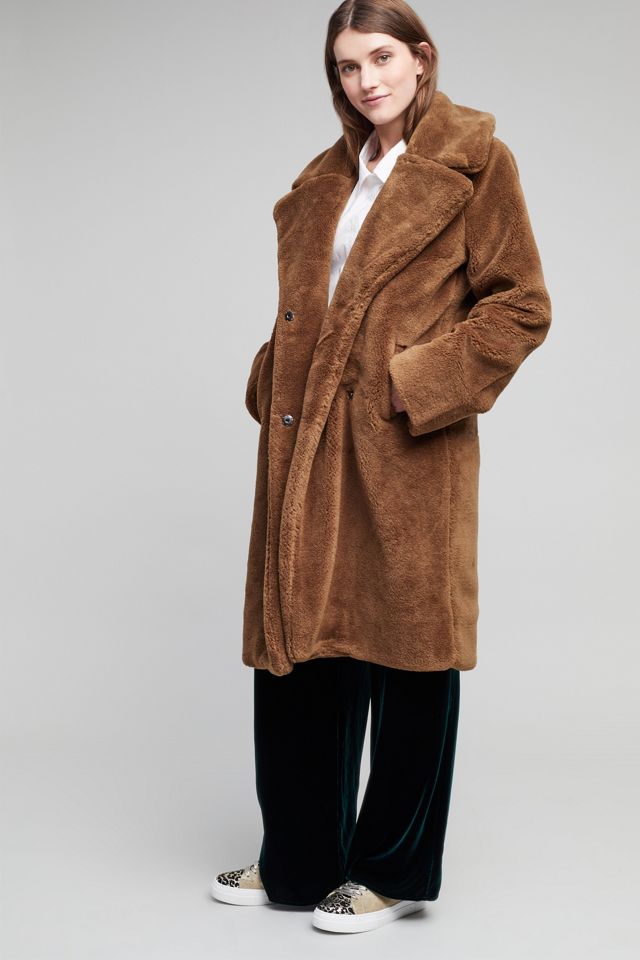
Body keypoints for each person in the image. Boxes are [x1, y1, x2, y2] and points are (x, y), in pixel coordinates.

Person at [211, 0, 552, 936]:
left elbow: (521, 304)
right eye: (347, 65)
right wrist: (272, 376)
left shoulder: (476, 164)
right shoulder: (326, 178)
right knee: (299, 645)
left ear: (421, 58)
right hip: (304, 442)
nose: (366, 80)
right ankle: (298, 858)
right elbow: (311, 306)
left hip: (405, 452)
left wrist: (411, 385)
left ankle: (391, 871)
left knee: (408, 651)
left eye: (382, 58)